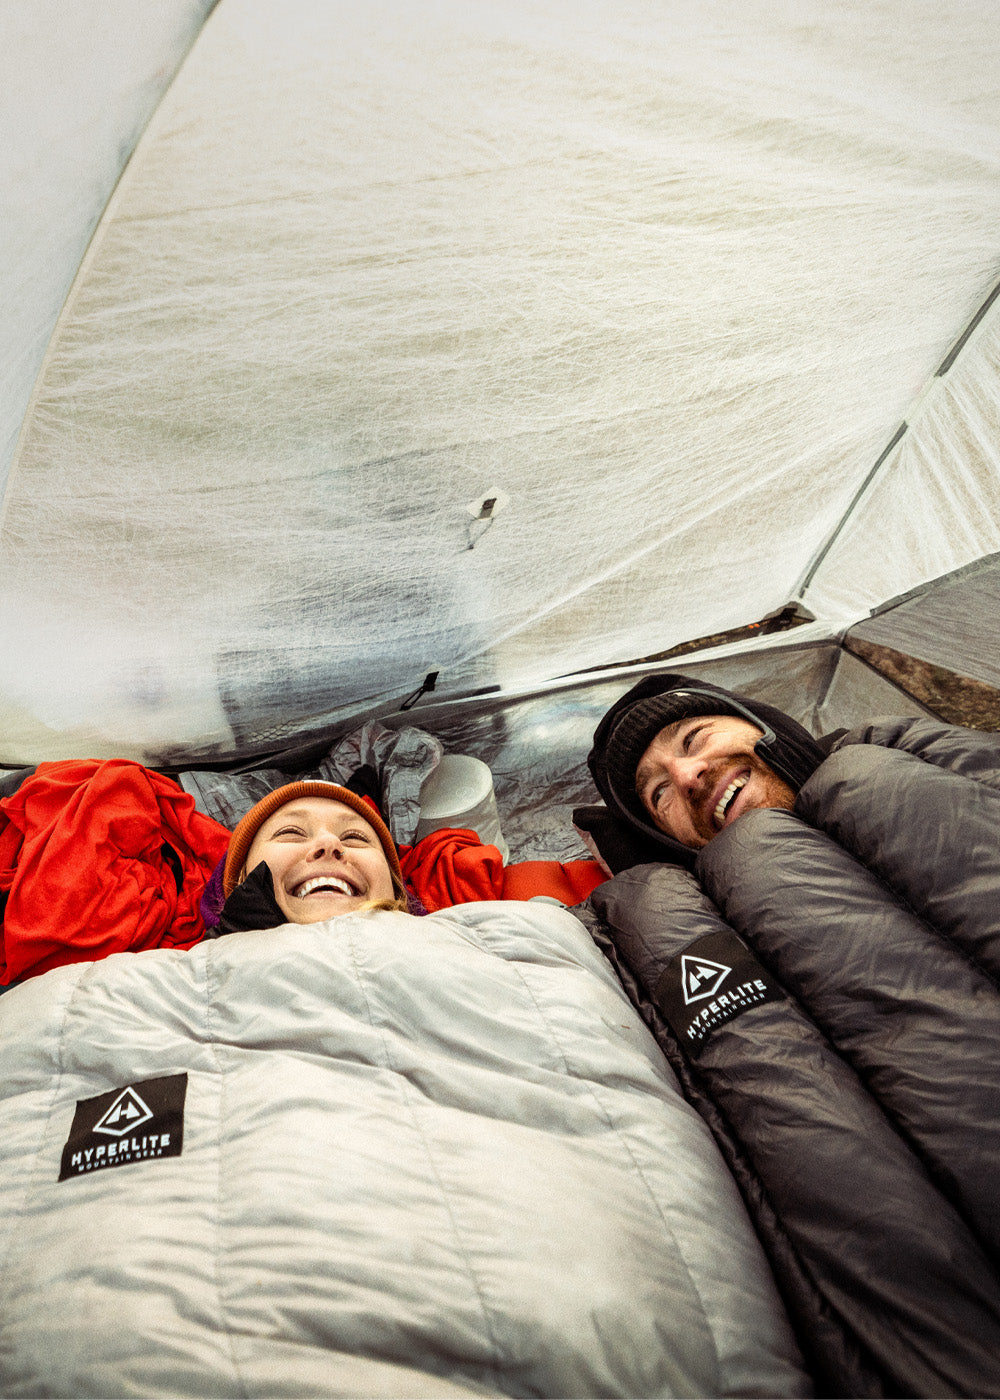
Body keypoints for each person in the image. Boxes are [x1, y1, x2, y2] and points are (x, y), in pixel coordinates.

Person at [0, 776, 810, 1399]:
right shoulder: (139, 980)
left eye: (357, 839)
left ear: (396, 882)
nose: (327, 847)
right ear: (232, 881)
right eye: (290, 834)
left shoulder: (485, 937)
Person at [575, 670, 1000, 1397]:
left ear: (762, 724)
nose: (689, 772)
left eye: (695, 738)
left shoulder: (896, 753)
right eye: (658, 793)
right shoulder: (686, 925)